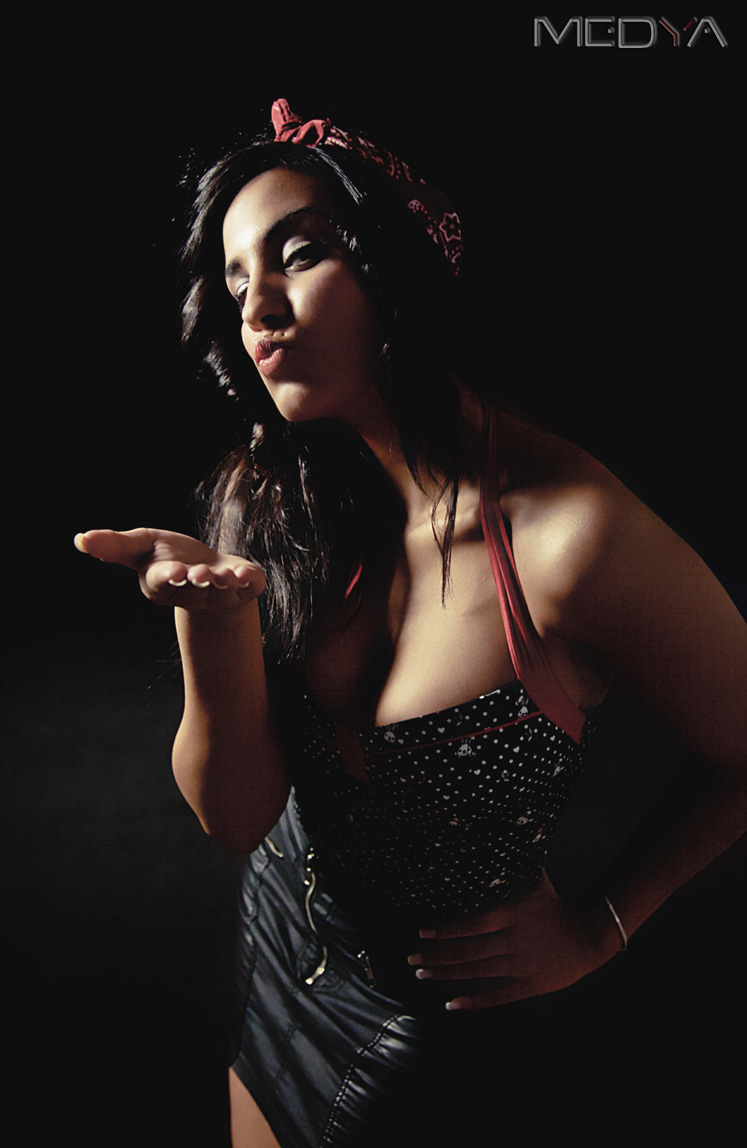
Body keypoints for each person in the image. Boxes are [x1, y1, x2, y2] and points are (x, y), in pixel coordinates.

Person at [74, 99, 746, 1147]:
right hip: (282, 946)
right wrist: (214, 626)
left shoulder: (568, 539)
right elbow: (236, 816)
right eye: (238, 283)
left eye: (298, 255)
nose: (260, 309)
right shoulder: (272, 494)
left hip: (442, 1036)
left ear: (393, 269)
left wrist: (603, 926)